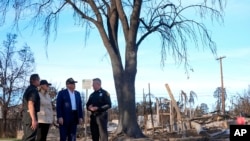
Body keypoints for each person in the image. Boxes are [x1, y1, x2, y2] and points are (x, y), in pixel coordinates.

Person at [22, 73, 41, 141]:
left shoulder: (28, 89)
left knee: (26, 137)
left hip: (26, 116)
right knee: (30, 138)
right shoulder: (33, 90)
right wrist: (33, 119)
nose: (39, 81)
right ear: (34, 80)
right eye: (38, 80)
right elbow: (30, 104)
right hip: (30, 116)